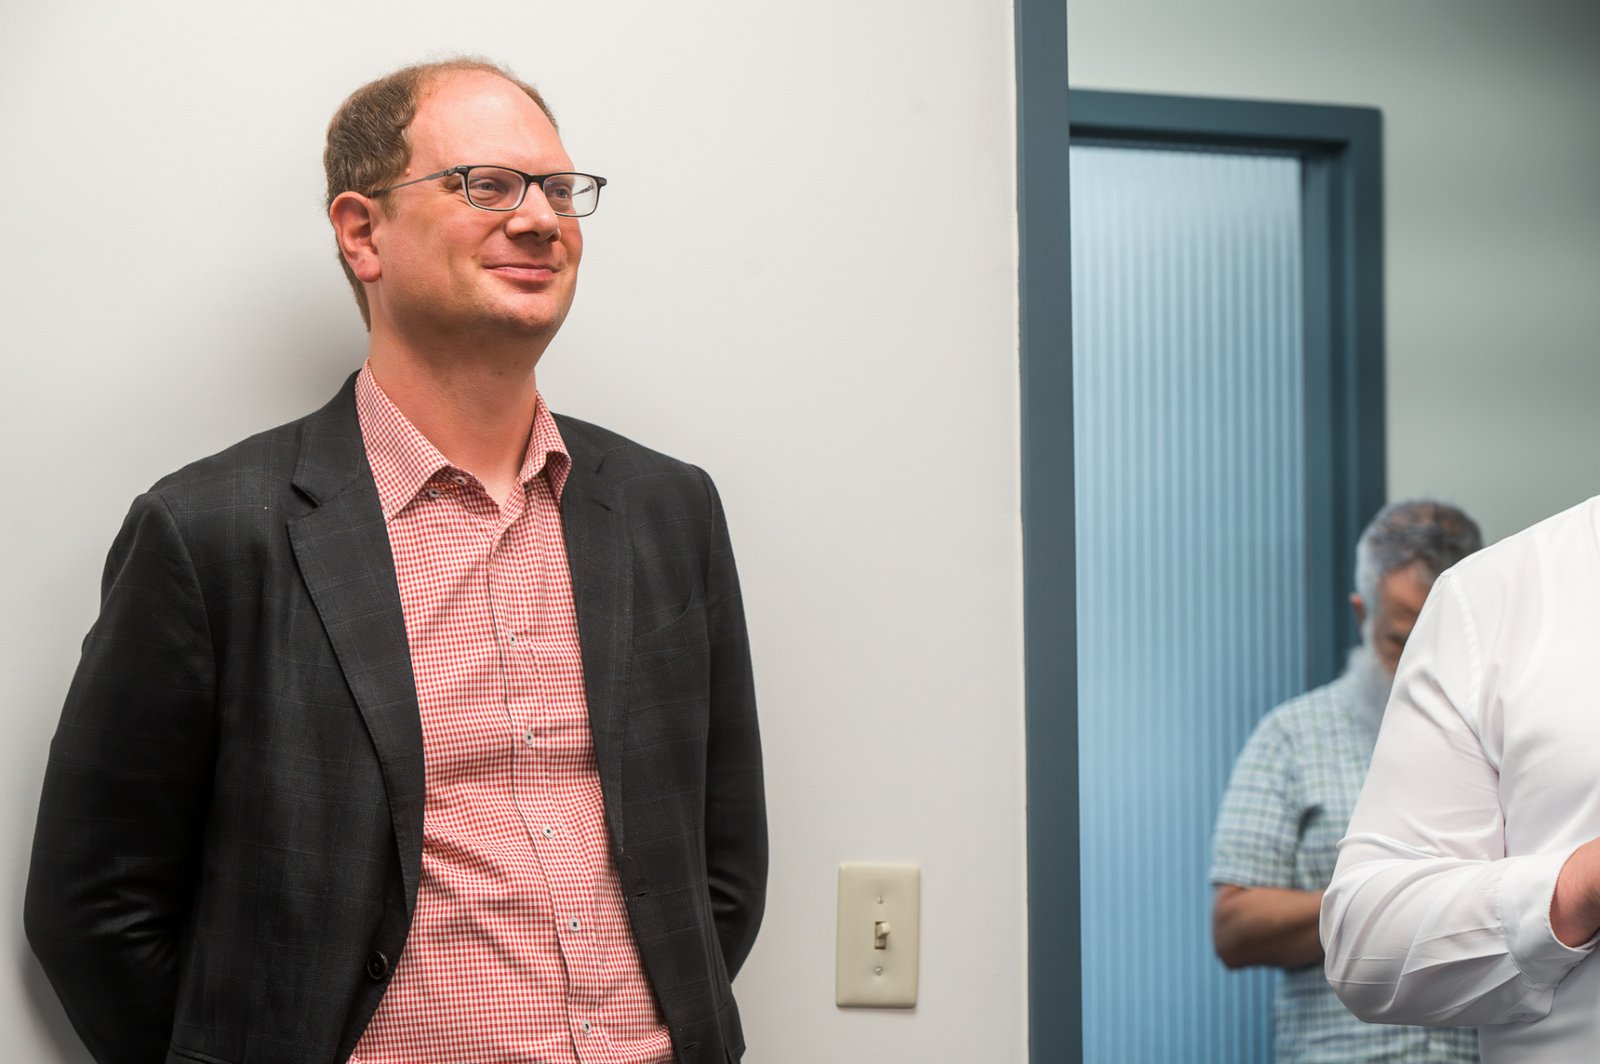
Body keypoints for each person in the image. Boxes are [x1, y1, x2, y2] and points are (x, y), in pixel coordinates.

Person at [24, 58, 766, 1064]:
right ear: (362, 232)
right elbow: (94, 907)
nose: (539, 219)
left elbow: (720, 870)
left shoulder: (668, 511)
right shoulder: (211, 533)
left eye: (559, 189)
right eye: (487, 184)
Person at [1321, 493, 1600, 1062]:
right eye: (1398, 638)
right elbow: (1364, 944)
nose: (1405, 662)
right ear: (1362, 614)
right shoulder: (1492, 599)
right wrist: (1577, 887)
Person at [1210, 500, 1483, 1062]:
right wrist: (1385, 899)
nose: (1424, 669)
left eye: (1443, 642)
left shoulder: (1516, 737)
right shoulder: (1291, 736)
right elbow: (1234, 928)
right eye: (1400, 641)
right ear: (1362, 613)